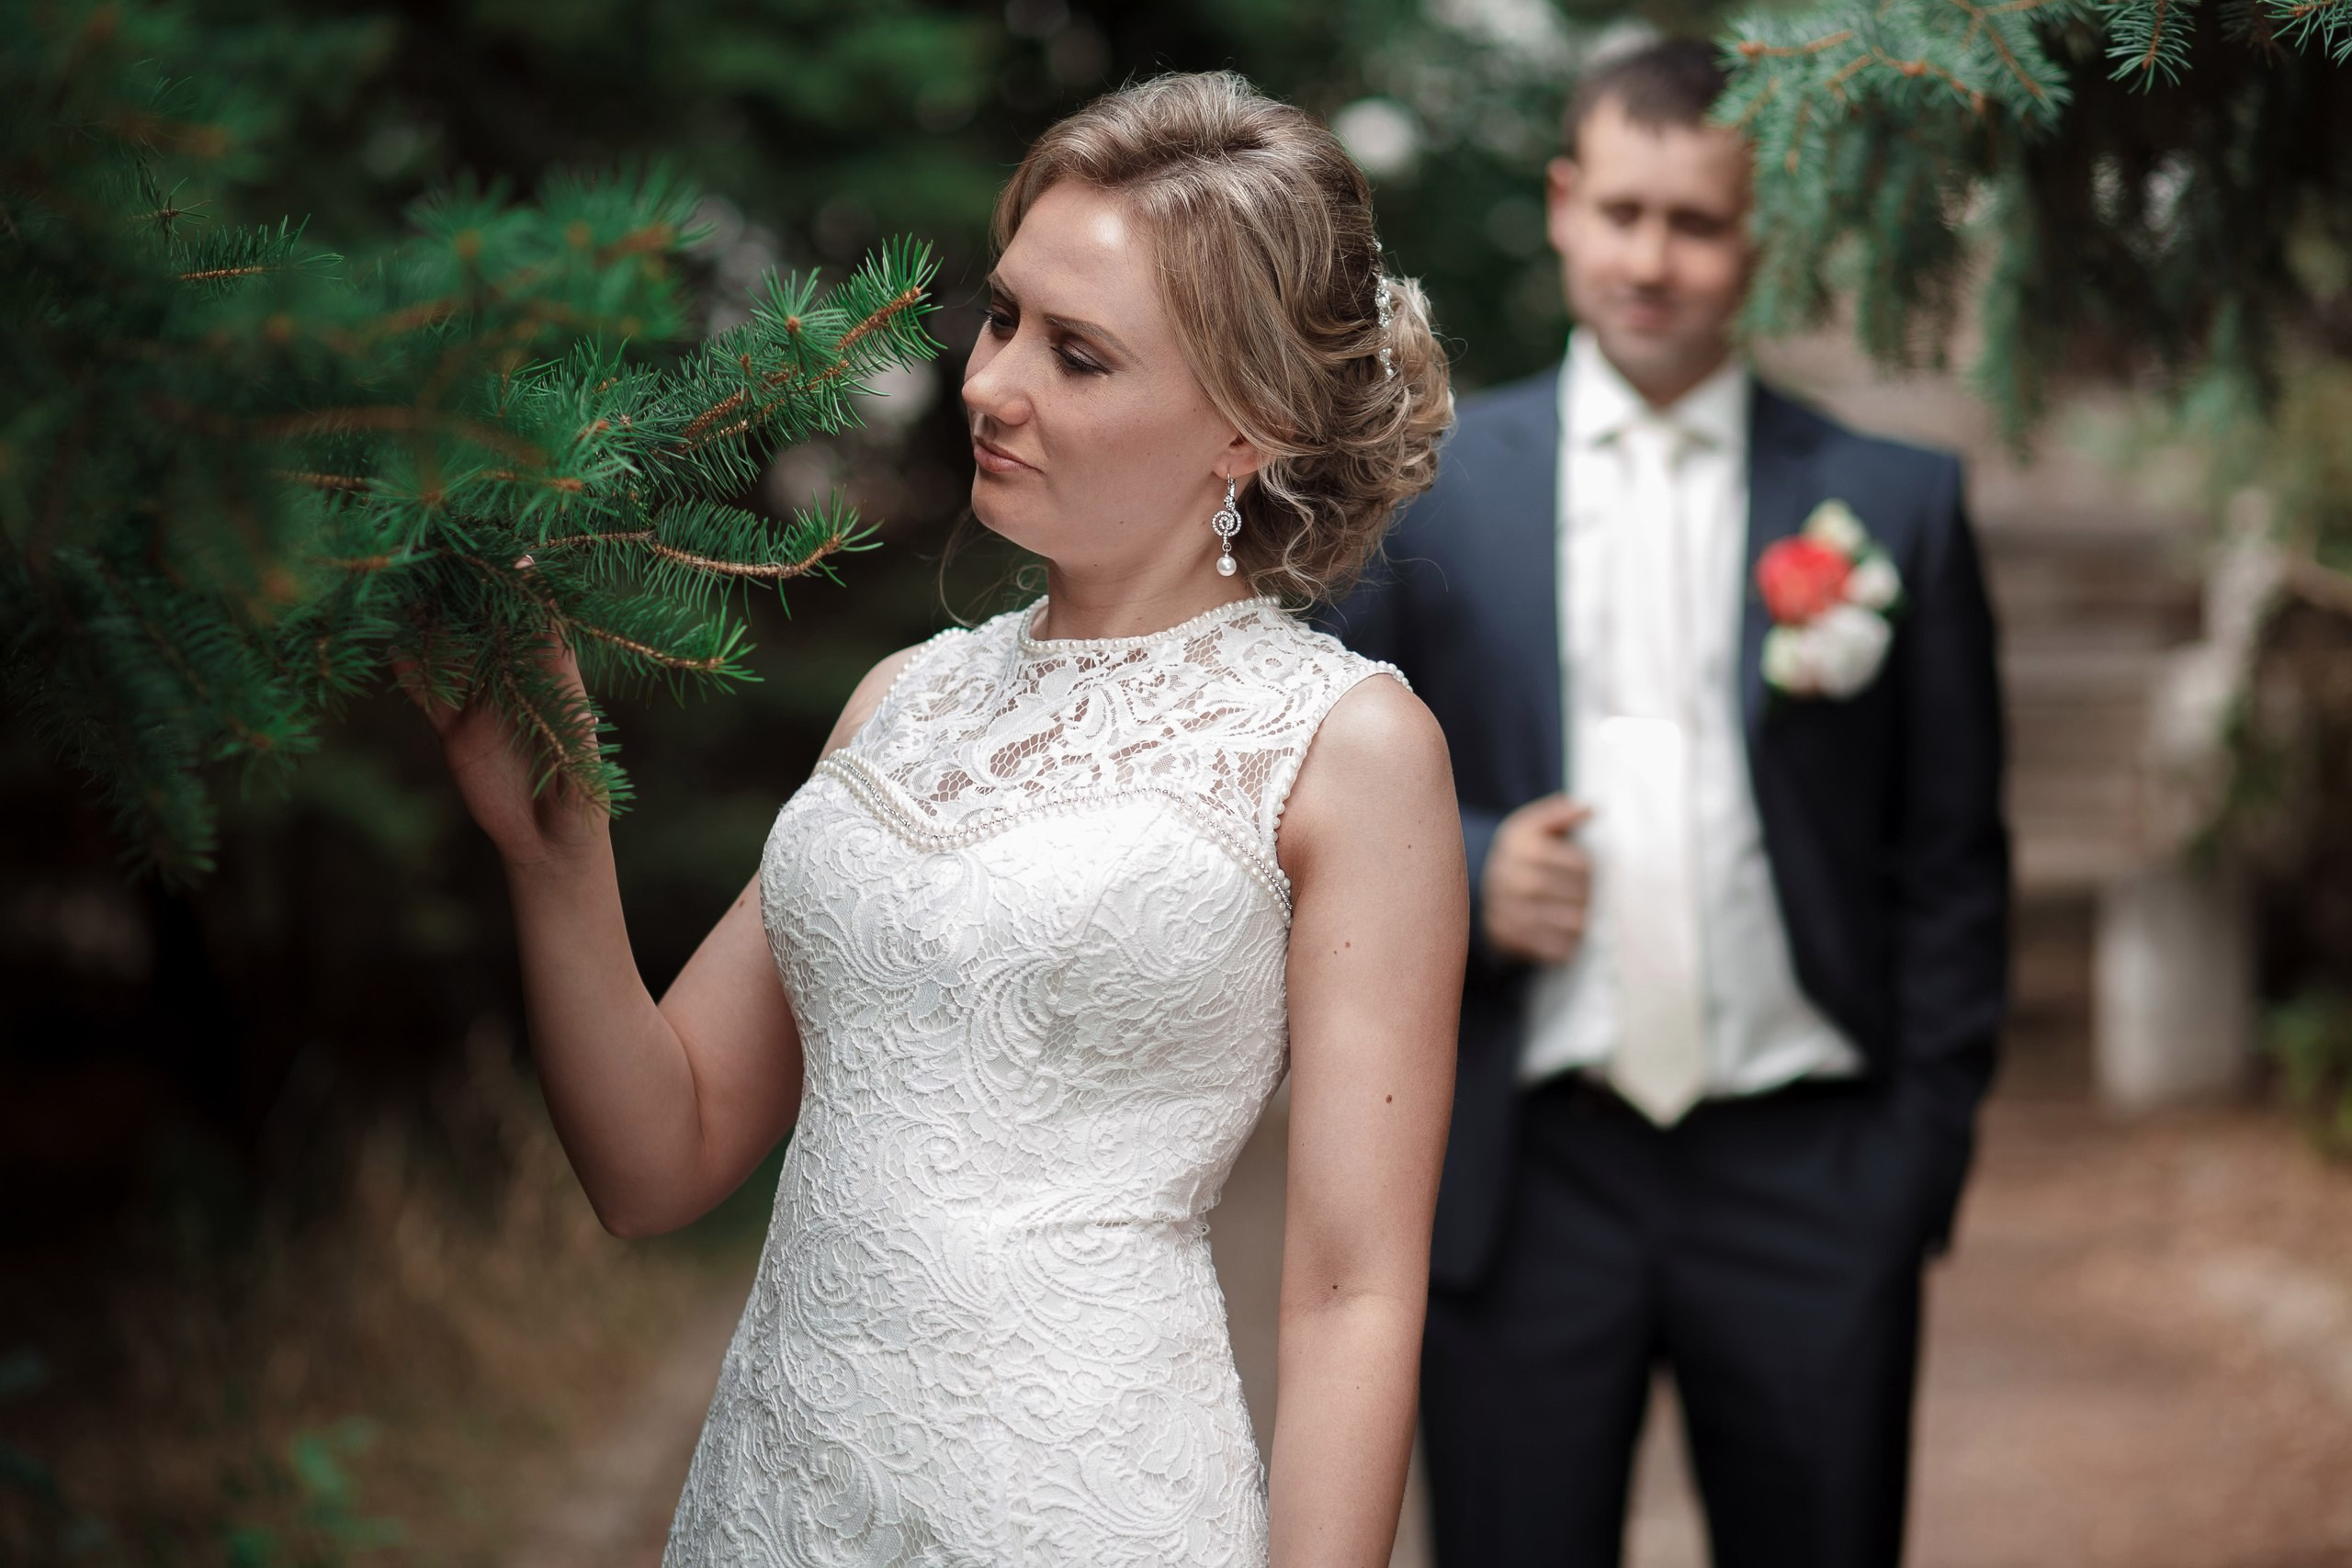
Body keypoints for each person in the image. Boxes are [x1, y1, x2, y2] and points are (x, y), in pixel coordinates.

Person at [413, 72, 1466, 1568]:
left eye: (1080, 354)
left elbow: (1355, 1291)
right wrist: (554, 846)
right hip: (778, 1500)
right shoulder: (903, 700)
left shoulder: (1347, 746)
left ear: (1251, 424)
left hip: (1089, 1508)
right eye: (1003, 316)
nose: (990, 382)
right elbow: (659, 1160)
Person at [1325, 39, 2009, 1568]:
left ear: (1759, 235)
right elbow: (1311, 791)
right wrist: (1473, 864)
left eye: (1696, 223)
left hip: (1813, 1172)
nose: (1652, 259)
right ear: (1565, 202)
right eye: (1623, 211)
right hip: (1522, 1174)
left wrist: (1910, 1170)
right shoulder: (1422, 486)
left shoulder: (1894, 503)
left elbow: (1955, 857)